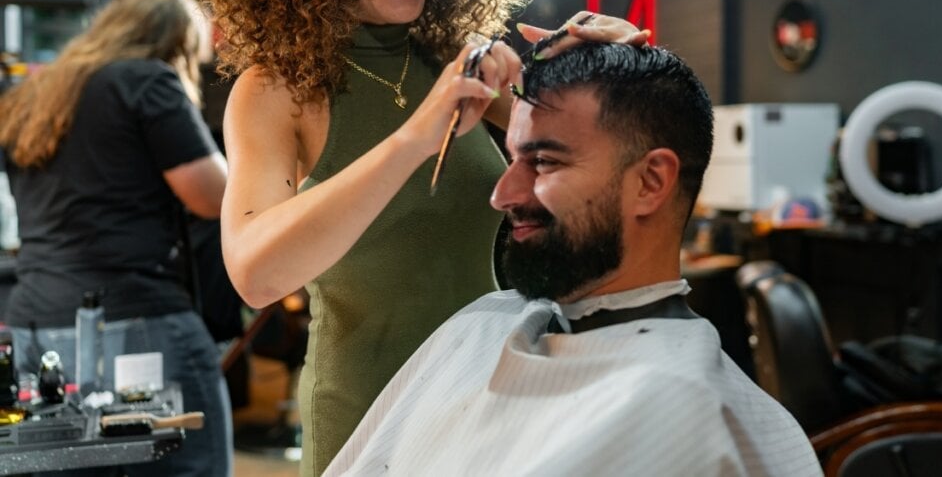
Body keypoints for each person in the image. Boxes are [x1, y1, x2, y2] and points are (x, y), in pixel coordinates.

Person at [191, 0, 647, 473]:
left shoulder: (458, 60)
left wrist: (615, 70)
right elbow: (256, 273)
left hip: (484, 403)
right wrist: (414, 135)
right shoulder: (277, 87)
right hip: (365, 417)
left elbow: (606, 169)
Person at [325, 42, 823, 476]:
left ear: (650, 183)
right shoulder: (480, 326)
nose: (503, 193)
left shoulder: (683, 406)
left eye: (544, 162)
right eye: (514, 156)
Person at [0, 0, 232, 477]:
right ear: (173, 44)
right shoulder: (147, 81)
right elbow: (213, 196)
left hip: (35, 325)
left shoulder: (34, 95)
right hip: (135, 322)